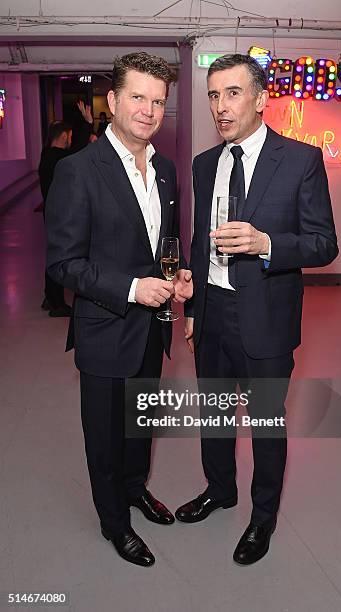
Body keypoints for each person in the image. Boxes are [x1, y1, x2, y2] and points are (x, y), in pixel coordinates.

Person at [175, 54, 338, 566]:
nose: (220, 107)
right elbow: (202, 240)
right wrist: (197, 305)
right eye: (213, 95)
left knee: (266, 422)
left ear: (261, 99)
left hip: (266, 314)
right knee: (215, 413)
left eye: (232, 93)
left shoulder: (300, 160)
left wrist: (268, 243)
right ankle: (220, 490)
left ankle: (262, 516)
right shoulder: (205, 165)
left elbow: (323, 244)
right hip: (214, 312)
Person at [46, 52, 192, 567]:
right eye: (138, 97)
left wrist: (179, 274)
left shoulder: (168, 171)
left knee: (139, 425)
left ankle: (134, 489)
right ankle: (115, 522)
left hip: (152, 331)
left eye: (158, 101)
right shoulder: (77, 171)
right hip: (106, 332)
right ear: (112, 101)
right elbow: (65, 264)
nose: (149, 111)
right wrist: (133, 288)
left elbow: (167, 241)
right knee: (105, 439)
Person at [38, 120, 73, 317]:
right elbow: (77, 155)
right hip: (58, 215)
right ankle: (56, 304)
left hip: (52, 213)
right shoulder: (57, 158)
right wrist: (86, 127)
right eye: (69, 137)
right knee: (59, 258)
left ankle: (49, 297)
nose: (71, 141)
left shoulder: (47, 154)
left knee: (54, 254)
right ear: (63, 137)